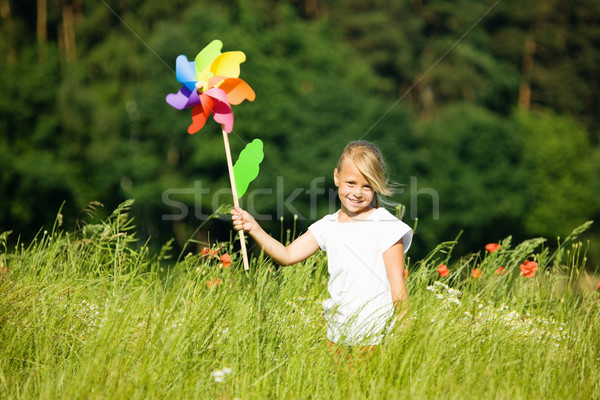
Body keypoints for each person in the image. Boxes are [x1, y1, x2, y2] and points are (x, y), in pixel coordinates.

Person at [231, 140, 413, 346]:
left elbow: (397, 282)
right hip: (337, 336)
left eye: (367, 186)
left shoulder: (385, 224)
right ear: (336, 177)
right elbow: (287, 256)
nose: (357, 192)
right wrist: (253, 227)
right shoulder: (327, 226)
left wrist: (403, 330)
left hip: (376, 337)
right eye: (351, 183)